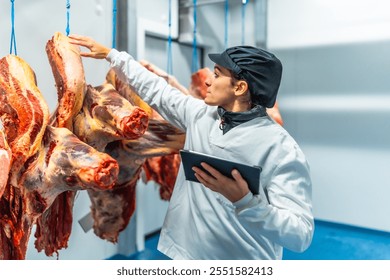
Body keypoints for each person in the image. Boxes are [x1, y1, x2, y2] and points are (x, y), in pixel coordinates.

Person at [69, 34, 314, 260]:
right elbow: (158, 92)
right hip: (185, 254)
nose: (208, 80)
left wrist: (246, 202)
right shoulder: (201, 115)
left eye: (217, 75)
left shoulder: (281, 149)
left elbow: (300, 234)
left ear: (240, 88)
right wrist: (113, 55)